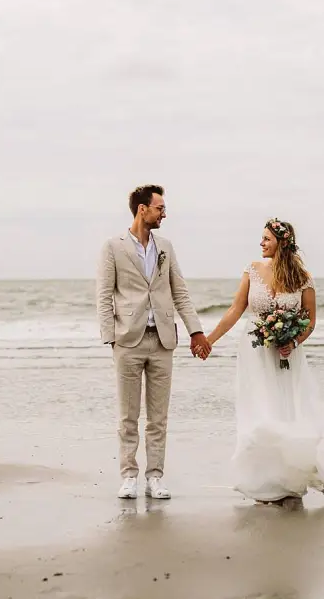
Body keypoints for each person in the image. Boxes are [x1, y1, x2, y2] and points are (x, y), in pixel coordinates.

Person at [206, 218, 324, 506]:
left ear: (281, 242)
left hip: (286, 355)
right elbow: (235, 309)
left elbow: (309, 320)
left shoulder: (302, 277)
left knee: (284, 410)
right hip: (254, 352)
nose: (261, 243)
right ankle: (262, 480)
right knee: (259, 409)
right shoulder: (252, 270)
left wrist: (292, 341)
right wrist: (209, 339)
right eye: (262, 238)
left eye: (267, 238)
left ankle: (288, 477)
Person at [96, 184, 211, 500]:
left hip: (162, 341)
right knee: (128, 415)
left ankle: (155, 477)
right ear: (141, 209)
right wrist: (111, 339)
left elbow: (180, 292)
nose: (164, 213)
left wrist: (196, 332)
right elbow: (105, 295)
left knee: (158, 417)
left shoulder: (166, 247)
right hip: (127, 342)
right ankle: (129, 475)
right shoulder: (113, 247)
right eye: (160, 207)